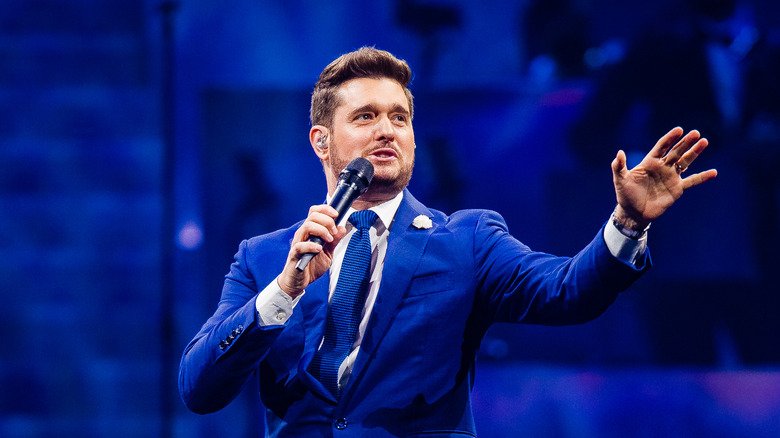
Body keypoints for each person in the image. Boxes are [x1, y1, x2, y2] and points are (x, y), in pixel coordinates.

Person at [179, 47, 716, 436]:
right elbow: (200, 389)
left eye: (400, 117)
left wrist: (625, 224)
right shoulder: (267, 257)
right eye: (365, 117)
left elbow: (568, 289)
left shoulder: (467, 239)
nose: (387, 130)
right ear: (322, 140)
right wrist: (283, 292)